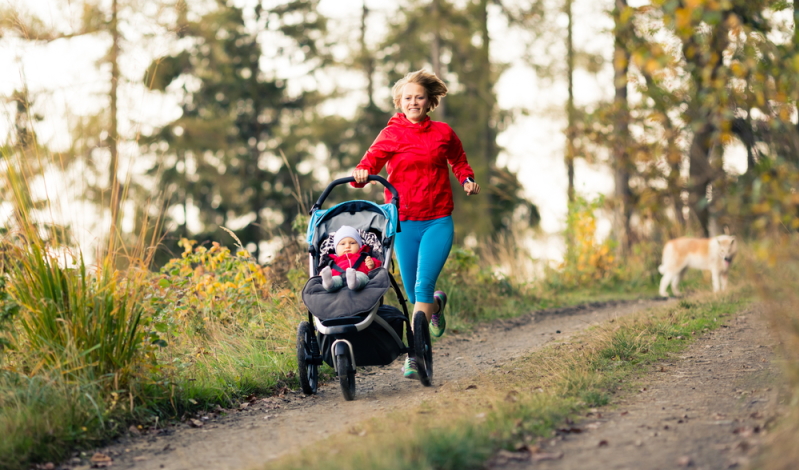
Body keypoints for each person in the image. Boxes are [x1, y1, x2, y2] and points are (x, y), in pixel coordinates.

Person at [351, 69, 481, 380]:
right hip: (404, 222)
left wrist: (467, 178)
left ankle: (415, 355)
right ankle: (436, 305)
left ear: (429, 101)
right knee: (414, 295)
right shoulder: (391, 134)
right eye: (408, 98)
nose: (414, 102)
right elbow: (370, 161)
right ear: (399, 102)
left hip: (437, 220)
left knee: (422, 286)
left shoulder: (443, 133)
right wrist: (361, 173)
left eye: (419, 97)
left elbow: (459, 159)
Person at [320, 226, 382, 292]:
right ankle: (329, 284)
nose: (347, 246)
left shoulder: (363, 256)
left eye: (352, 243)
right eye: (342, 244)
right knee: (335, 279)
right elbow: (329, 269)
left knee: (363, 277)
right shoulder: (333, 261)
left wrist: (371, 264)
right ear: (336, 249)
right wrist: (321, 274)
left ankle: (354, 283)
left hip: (358, 274)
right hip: (339, 276)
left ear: (359, 245)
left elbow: (378, 265)